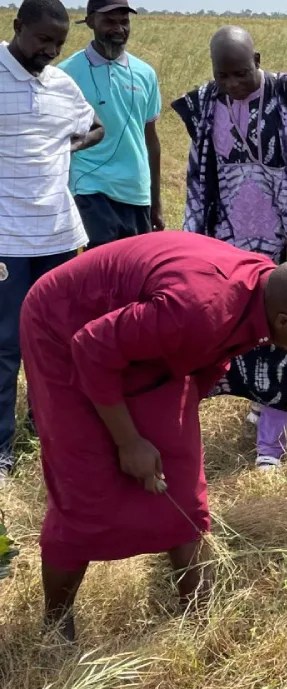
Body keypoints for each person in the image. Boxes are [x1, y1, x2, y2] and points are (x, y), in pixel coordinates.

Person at [20, 231, 287, 641]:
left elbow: (214, 349)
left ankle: (198, 613)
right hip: (64, 323)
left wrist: (171, 420)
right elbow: (92, 347)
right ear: (284, 321)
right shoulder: (200, 308)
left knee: (181, 469)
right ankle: (57, 627)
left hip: (134, 330)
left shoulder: (262, 291)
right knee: (86, 481)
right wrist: (128, 441)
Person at [172, 26, 287, 470]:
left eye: (241, 73)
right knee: (236, 332)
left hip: (285, 240)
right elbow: (198, 179)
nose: (232, 85)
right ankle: (256, 405)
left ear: (257, 59)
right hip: (230, 244)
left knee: (286, 333)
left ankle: (270, 445)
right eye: (223, 76)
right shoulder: (206, 103)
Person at [0, 0, 104, 482]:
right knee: (4, 345)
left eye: (58, 44)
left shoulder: (62, 83)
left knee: (59, 342)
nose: (49, 50)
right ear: (17, 27)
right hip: (5, 239)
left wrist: (68, 143)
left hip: (59, 235)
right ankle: (1, 449)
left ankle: (44, 430)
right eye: (41, 39)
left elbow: (95, 127)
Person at [59, 0, 164, 247]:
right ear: (90, 21)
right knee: (101, 269)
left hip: (135, 191)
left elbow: (151, 139)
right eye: (109, 21)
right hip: (89, 188)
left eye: (124, 21)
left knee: (133, 273)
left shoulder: (145, 73)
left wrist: (156, 201)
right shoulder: (65, 74)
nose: (119, 28)